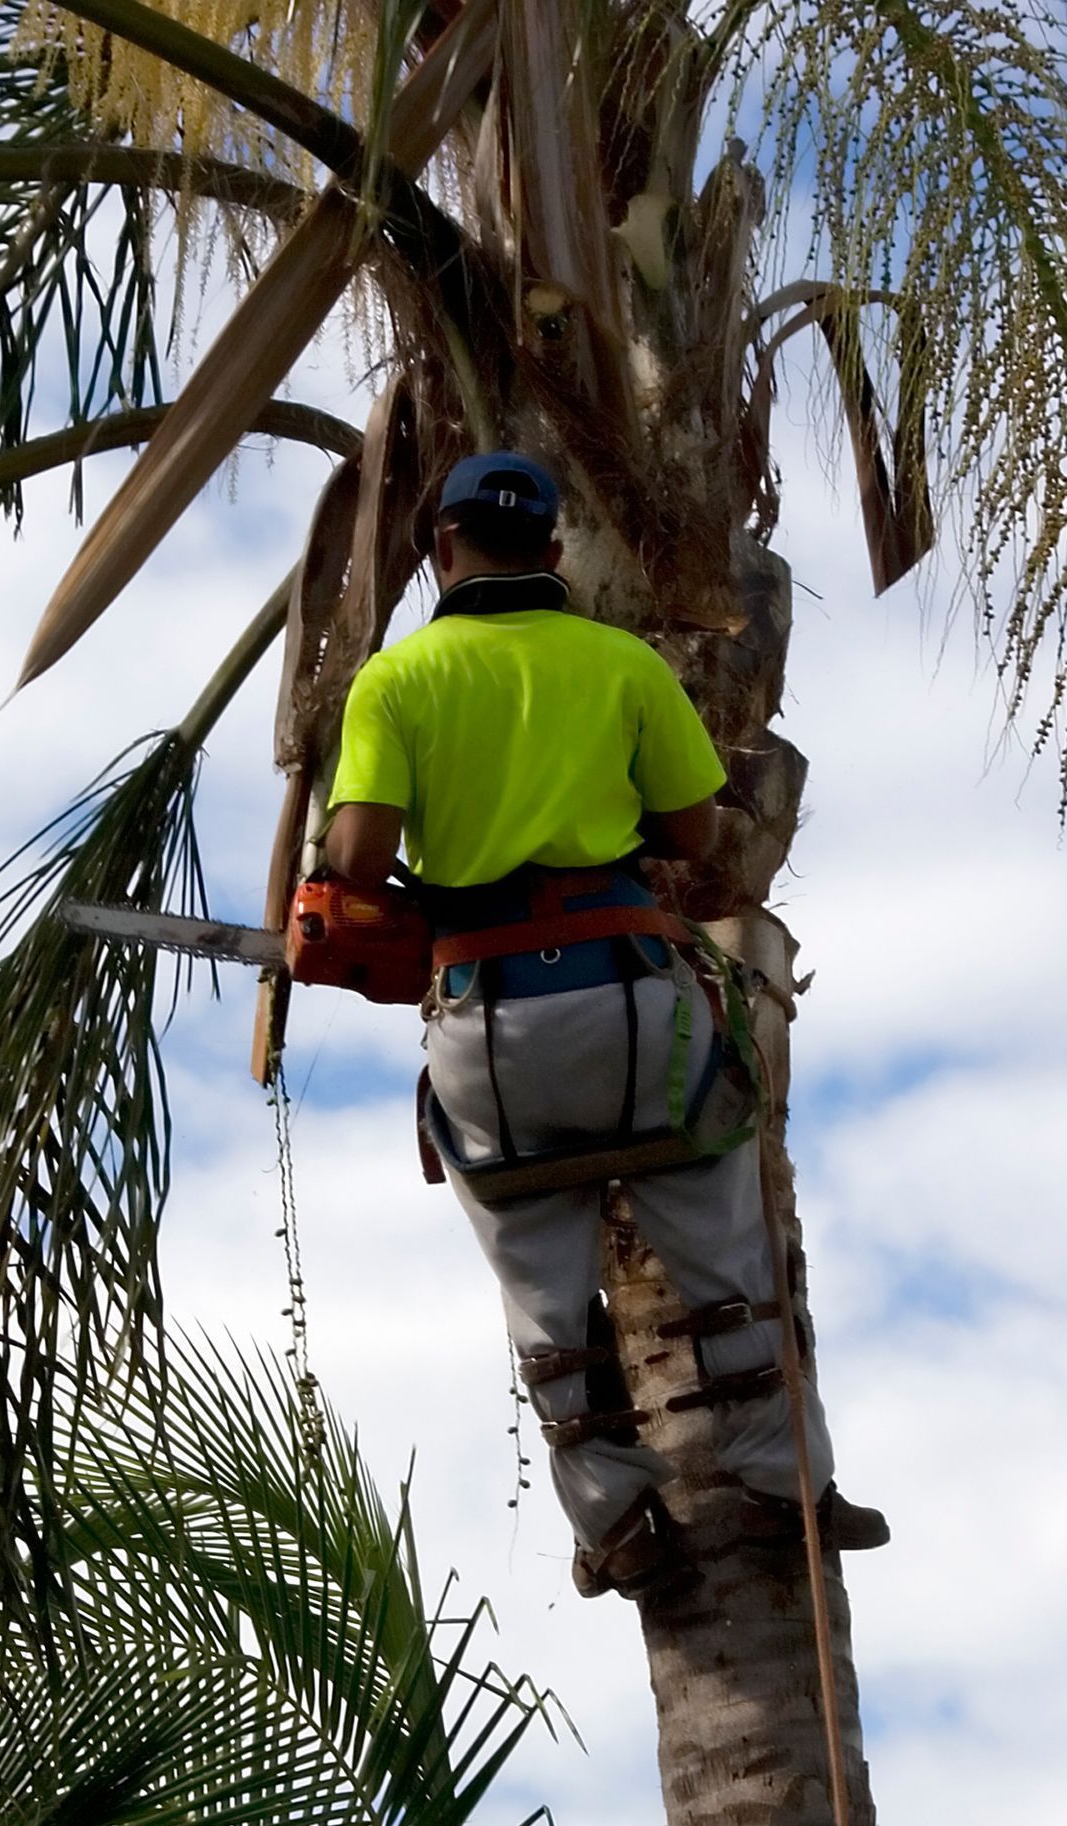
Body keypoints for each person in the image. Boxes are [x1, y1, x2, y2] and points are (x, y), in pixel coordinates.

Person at [324, 450, 887, 1600]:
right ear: (551, 552)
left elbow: (357, 861)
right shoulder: (620, 661)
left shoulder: (397, 681)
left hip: (491, 1027)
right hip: (635, 1004)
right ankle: (784, 1489)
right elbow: (688, 832)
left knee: (545, 1296)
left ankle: (623, 1524)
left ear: (443, 552)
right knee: (725, 1251)